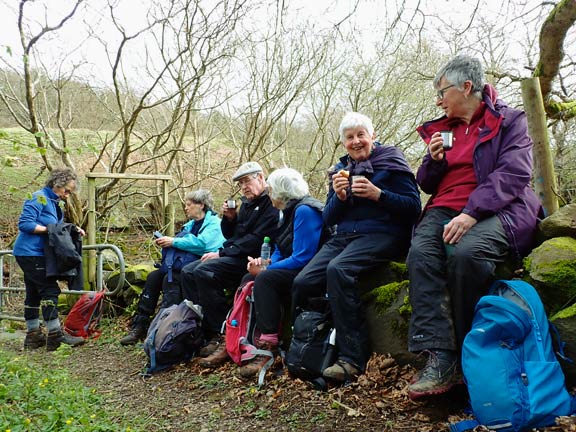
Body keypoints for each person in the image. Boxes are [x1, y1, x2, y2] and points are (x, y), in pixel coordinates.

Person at [406, 54, 542, 400]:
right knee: (421, 252)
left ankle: (473, 350)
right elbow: (425, 183)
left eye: (442, 92)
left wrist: (471, 212)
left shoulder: (510, 121)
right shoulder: (444, 130)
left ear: (467, 87)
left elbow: (514, 174)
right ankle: (441, 358)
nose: (438, 101)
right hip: (444, 207)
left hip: (498, 207)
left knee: (466, 254)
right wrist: (433, 162)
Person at [291, 112, 422, 382]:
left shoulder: (391, 162)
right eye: (350, 137)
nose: (356, 141)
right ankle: (314, 345)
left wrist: (379, 195)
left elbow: (413, 207)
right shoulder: (339, 170)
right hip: (344, 238)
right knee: (303, 282)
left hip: (383, 233)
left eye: (361, 134)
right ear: (343, 144)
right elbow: (328, 218)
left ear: (372, 136)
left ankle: (352, 358)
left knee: (339, 270)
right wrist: (338, 197)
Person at [199, 167, 324, 376]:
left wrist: (267, 269)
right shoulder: (287, 210)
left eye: (271, 189)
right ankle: (238, 336)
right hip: (292, 265)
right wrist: (266, 263)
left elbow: (303, 256)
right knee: (249, 277)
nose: (269, 192)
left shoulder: (304, 210)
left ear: (281, 192)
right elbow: (278, 248)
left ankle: (268, 346)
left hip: (309, 270)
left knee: (264, 278)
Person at [180, 162, 279, 358]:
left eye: (246, 181)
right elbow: (231, 235)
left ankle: (222, 332)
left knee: (203, 271)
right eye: (240, 183)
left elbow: (256, 240)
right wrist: (230, 218)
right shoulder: (248, 204)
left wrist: (221, 254)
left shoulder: (271, 203)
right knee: (188, 271)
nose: (243, 187)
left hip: (253, 258)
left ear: (260, 177)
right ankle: (204, 330)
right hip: (235, 254)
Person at [120, 189, 226, 345]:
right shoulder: (190, 225)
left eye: (189, 204)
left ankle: (166, 329)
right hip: (183, 265)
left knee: (171, 280)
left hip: (202, 265)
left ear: (201, 205)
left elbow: (202, 245)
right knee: (153, 277)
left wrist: (173, 241)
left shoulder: (215, 224)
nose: (186, 208)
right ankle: (140, 325)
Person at [13, 167, 86, 351]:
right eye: (66, 190)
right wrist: (50, 230)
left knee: (33, 293)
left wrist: (72, 228)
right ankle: (55, 336)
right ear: (56, 184)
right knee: (50, 291)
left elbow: (56, 226)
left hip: (34, 253)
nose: (67, 195)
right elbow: (25, 224)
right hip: (31, 252)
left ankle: (33, 335)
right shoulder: (38, 197)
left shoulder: (54, 202)